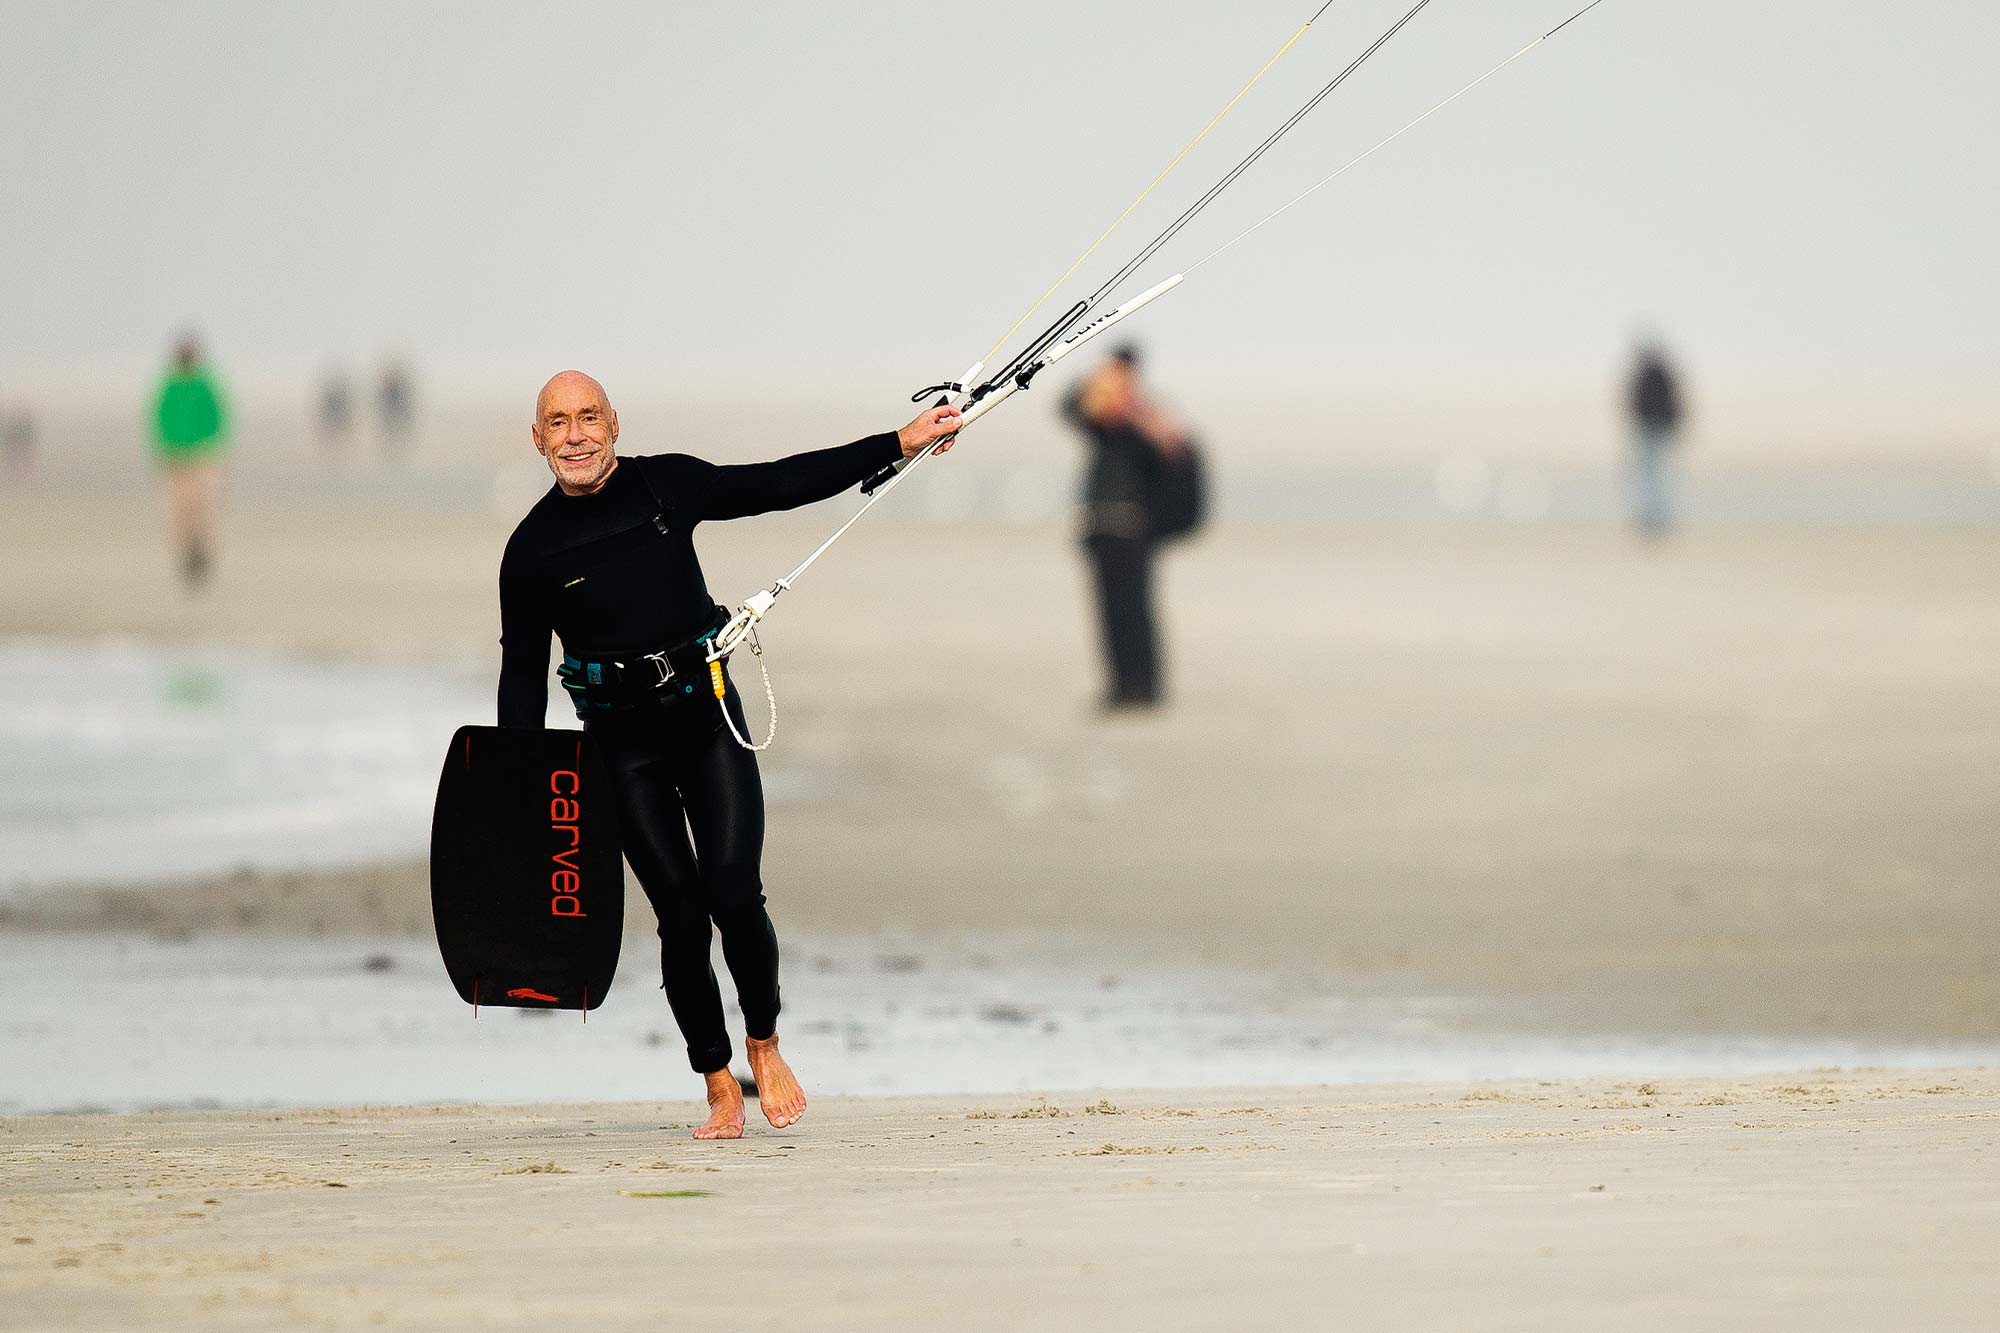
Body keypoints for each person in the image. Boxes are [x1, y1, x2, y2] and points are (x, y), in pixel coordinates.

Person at [497, 370, 960, 1140]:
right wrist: (520, 788)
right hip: (620, 750)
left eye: (588, 417)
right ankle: (718, 1081)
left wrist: (899, 442)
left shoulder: (666, 488)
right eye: (557, 422)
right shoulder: (532, 551)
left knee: (734, 891)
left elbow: (778, 482)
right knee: (680, 919)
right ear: (538, 438)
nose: (575, 434)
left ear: (614, 422)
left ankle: (765, 1042)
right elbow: (520, 676)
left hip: (706, 720)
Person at [1062, 344, 1193, 711]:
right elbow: (1070, 409)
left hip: (1134, 528)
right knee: (1112, 613)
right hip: (1103, 526)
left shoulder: (1147, 418)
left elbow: (1172, 460)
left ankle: (1143, 687)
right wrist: (1099, 388)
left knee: (1135, 611)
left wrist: (1143, 419)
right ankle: (1123, 687)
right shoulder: (1102, 418)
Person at [150, 333, 230, 588]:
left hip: (202, 457)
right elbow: (160, 419)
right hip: (175, 457)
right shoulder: (170, 385)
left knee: (202, 508)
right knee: (180, 511)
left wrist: (210, 446)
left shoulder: (203, 384)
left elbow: (216, 417)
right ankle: (186, 555)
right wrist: (164, 448)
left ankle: (202, 555)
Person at [1626, 337, 1685, 538]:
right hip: (1653, 429)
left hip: (1654, 429)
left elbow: (1668, 402)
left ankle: (1655, 517)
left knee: (1653, 475)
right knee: (1653, 475)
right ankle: (1653, 516)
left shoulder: (1652, 374)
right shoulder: (1658, 373)